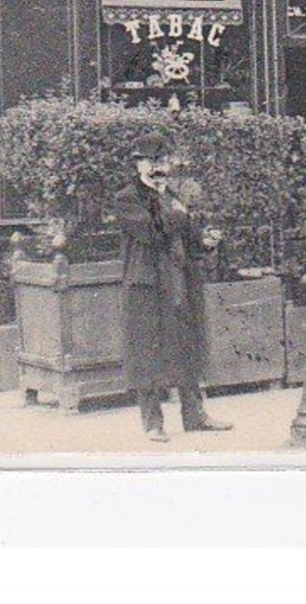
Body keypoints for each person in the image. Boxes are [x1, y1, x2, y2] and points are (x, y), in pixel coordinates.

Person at [110, 131, 230, 442]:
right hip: (147, 285)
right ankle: (153, 423)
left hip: (179, 281)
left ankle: (195, 416)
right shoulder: (127, 198)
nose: (158, 168)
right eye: (151, 161)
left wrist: (205, 242)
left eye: (162, 161)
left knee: (187, 346)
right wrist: (177, 214)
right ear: (139, 165)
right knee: (147, 351)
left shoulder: (173, 197)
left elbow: (188, 240)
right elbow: (151, 233)